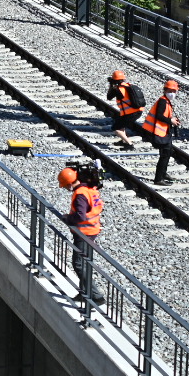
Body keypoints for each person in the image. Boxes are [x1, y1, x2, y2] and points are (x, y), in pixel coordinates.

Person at [60, 162, 104, 302]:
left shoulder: (80, 194)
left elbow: (80, 216)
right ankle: (84, 293)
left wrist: (67, 218)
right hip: (92, 229)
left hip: (84, 232)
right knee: (85, 262)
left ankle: (96, 296)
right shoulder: (90, 188)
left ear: (68, 184)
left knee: (78, 264)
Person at [140, 80, 181, 186]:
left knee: (167, 152)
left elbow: (163, 115)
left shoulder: (166, 101)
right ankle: (158, 179)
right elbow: (159, 116)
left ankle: (163, 173)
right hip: (157, 132)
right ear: (165, 90)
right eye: (170, 90)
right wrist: (170, 121)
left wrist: (171, 119)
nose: (172, 93)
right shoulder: (163, 101)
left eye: (174, 91)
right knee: (165, 154)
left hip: (161, 132)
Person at [105, 71, 143, 150]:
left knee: (116, 128)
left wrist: (111, 85)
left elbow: (109, 97)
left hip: (131, 113)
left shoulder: (117, 89)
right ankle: (123, 141)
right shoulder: (128, 86)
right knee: (121, 125)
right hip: (137, 111)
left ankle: (129, 144)